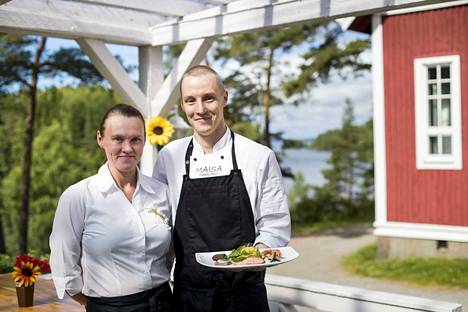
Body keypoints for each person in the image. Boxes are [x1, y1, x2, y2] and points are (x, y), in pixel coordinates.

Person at [153, 65, 291, 312]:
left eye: (208, 98)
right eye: (190, 101)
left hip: (244, 296)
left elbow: (275, 224)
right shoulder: (169, 156)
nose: (200, 109)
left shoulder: (258, 156)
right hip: (189, 297)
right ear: (182, 106)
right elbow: (162, 225)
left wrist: (256, 255)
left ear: (224, 98)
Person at [49, 104, 173, 312]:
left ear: (144, 141)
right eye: (118, 139)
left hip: (163, 303)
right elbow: (64, 264)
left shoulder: (162, 192)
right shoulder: (78, 196)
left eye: (135, 139)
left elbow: (169, 254)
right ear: (100, 139)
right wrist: (96, 304)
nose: (127, 148)